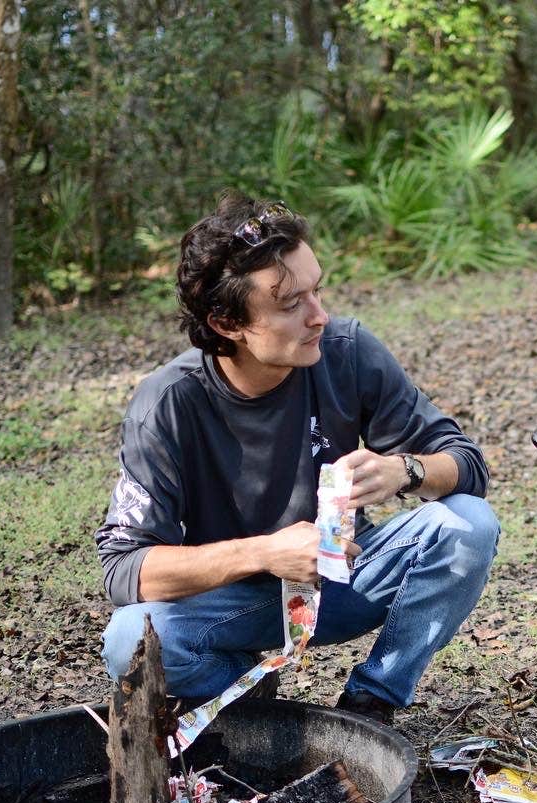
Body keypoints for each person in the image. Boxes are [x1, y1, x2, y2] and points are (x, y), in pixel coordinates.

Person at [94, 194, 499, 724]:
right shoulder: (168, 404)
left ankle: (371, 704)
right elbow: (125, 569)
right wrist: (265, 553)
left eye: (318, 290)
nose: (319, 317)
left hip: (342, 580)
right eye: (290, 305)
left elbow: (467, 463)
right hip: (231, 603)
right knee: (129, 639)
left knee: (469, 523)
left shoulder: (346, 350)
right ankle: (253, 705)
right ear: (226, 323)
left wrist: (407, 471)